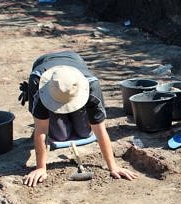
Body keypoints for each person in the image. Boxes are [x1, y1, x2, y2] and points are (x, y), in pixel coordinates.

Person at [19, 50, 137, 187]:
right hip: (43, 67)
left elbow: (99, 129)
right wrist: (41, 167)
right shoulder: (38, 84)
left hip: (73, 60)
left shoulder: (91, 85)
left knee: (84, 132)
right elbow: (41, 129)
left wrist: (113, 167)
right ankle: (56, 114)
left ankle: (68, 113)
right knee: (60, 136)